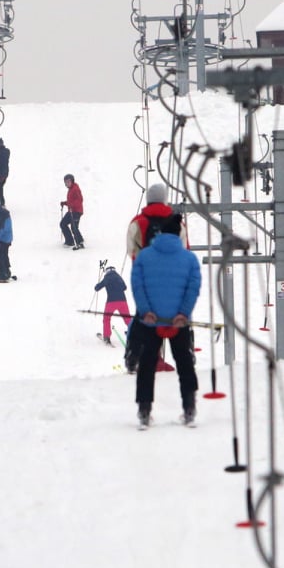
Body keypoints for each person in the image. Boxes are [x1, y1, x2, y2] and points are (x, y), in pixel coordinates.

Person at [129, 213, 202, 428]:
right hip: (178, 321)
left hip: (151, 321)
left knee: (147, 365)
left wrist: (145, 311)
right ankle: (189, 408)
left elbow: (137, 285)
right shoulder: (189, 258)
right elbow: (193, 287)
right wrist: (184, 313)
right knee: (185, 363)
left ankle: (144, 410)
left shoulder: (144, 257)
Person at [125, 181, 188, 258]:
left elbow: (131, 250)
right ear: (165, 200)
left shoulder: (137, 222)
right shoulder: (178, 223)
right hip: (172, 268)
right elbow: (185, 250)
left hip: (145, 268)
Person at [94, 263, 132, 351]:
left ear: (107, 271)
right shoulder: (118, 277)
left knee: (106, 318)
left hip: (111, 301)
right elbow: (124, 287)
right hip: (123, 301)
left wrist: (96, 286)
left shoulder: (107, 277)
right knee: (127, 319)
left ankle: (107, 337)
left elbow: (97, 288)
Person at [60, 174, 85, 249]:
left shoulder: (75, 189)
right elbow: (72, 201)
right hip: (72, 210)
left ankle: (80, 242)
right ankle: (70, 241)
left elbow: (79, 200)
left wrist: (72, 205)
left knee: (74, 227)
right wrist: (65, 203)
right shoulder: (71, 189)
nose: (67, 183)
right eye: (66, 182)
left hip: (77, 211)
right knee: (63, 223)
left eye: (68, 181)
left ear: (72, 181)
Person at [0, 206, 14, 282]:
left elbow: (0, 230)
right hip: (8, 238)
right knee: (5, 255)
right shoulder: (6, 214)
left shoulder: (0, 216)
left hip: (3, 240)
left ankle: (2, 274)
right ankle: (7, 272)